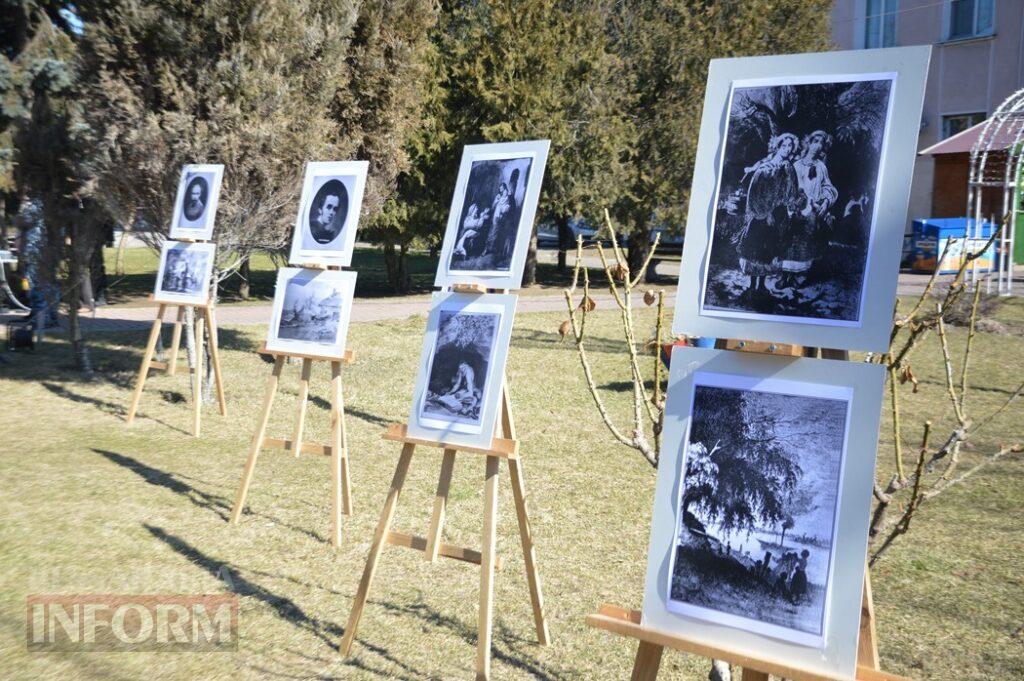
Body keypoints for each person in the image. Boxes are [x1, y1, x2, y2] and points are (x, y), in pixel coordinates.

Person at [733, 133, 800, 299]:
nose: (787, 149)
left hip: (779, 215)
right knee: (755, 249)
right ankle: (751, 286)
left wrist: (789, 210)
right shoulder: (765, 167)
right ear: (778, 146)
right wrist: (764, 213)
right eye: (784, 145)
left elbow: (791, 192)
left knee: (768, 251)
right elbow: (755, 193)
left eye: (790, 146)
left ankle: (761, 287)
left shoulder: (789, 168)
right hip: (760, 214)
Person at [780, 130, 838, 289]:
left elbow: (828, 187)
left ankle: (800, 274)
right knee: (790, 239)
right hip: (794, 208)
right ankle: (786, 275)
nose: (817, 146)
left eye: (821, 143)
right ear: (808, 143)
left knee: (806, 239)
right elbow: (788, 187)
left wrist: (826, 201)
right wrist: (792, 205)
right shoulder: (796, 165)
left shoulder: (821, 167)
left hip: (811, 210)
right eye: (815, 141)